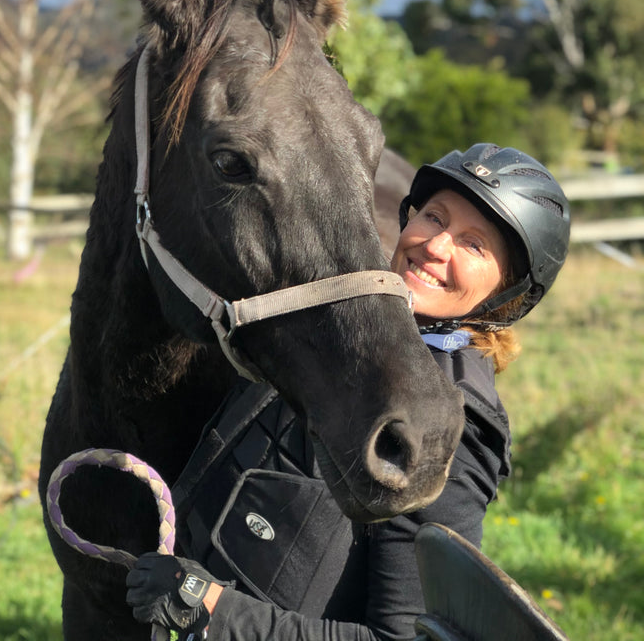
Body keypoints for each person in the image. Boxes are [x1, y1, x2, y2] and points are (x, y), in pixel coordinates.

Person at [126, 143, 571, 641]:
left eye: (473, 245)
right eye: (434, 217)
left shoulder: (454, 427)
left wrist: (211, 607)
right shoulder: (336, 325)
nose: (435, 246)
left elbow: (402, 637)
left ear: (507, 291)